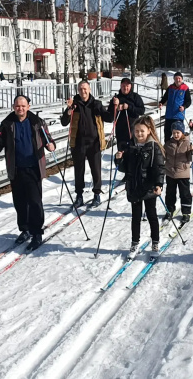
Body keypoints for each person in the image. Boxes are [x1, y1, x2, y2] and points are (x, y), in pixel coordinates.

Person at [0, 95, 56, 250]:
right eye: (17, 106)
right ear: (13, 107)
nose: (20, 109)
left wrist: (51, 145)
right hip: (16, 168)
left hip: (33, 167)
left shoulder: (37, 122)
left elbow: (48, 138)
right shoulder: (7, 123)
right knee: (19, 202)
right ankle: (24, 229)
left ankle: (36, 233)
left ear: (28, 107)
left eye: (23, 106)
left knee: (35, 201)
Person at [115, 115, 165, 257]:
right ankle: (134, 243)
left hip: (149, 187)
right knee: (135, 217)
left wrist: (158, 184)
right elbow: (125, 168)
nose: (139, 134)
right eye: (137, 131)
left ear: (148, 131)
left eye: (142, 131)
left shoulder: (153, 147)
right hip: (134, 187)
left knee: (152, 215)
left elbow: (159, 168)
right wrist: (118, 160)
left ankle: (155, 243)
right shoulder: (130, 146)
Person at [61, 80, 112, 208]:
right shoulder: (74, 105)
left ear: (89, 90)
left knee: (96, 170)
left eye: (85, 89)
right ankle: (79, 196)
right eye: (80, 89)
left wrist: (114, 106)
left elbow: (109, 118)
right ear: (78, 91)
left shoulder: (96, 104)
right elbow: (63, 122)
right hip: (78, 143)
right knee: (79, 171)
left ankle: (96, 194)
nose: (83, 91)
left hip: (94, 142)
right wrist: (68, 110)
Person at [164, 121, 193, 224]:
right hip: (170, 173)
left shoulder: (187, 143)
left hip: (183, 173)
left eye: (178, 132)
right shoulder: (168, 143)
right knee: (170, 193)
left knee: (185, 194)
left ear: (182, 132)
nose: (176, 135)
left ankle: (186, 212)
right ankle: (170, 210)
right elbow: (164, 156)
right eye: (174, 133)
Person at [108, 77, 146, 151]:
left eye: (127, 86)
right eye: (123, 86)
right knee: (121, 152)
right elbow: (110, 115)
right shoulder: (116, 98)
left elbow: (142, 111)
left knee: (133, 151)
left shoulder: (135, 97)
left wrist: (129, 107)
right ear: (120, 86)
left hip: (133, 128)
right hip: (120, 130)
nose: (125, 88)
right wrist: (115, 107)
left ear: (130, 86)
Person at [159, 71, 192, 142]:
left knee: (178, 135)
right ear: (174, 79)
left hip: (178, 116)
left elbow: (188, 101)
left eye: (179, 78)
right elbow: (165, 97)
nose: (178, 80)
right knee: (167, 135)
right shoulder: (170, 87)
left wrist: (184, 107)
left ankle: (179, 151)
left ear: (182, 79)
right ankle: (167, 150)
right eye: (176, 78)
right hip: (169, 116)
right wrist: (161, 103)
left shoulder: (185, 88)